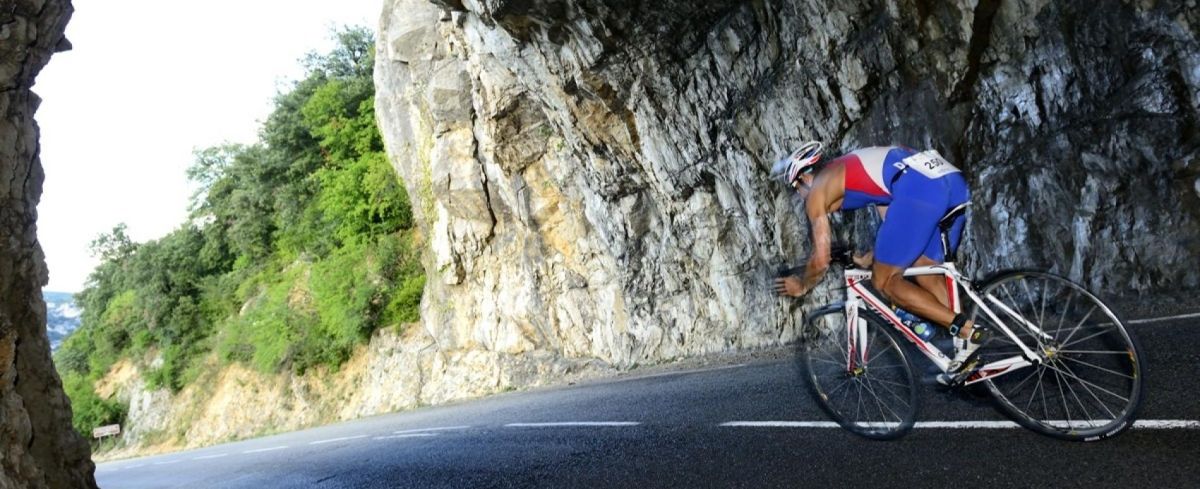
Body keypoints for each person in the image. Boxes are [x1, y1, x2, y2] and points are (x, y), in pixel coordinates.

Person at [771, 142, 986, 371]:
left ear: (804, 177)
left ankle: (964, 329)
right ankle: (967, 348)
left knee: (884, 281)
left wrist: (802, 284)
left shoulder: (818, 191)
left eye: (796, 187)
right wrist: (867, 258)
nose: (800, 195)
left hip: (918, 189)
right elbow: (898, 230)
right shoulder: (854, 167)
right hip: (950, 182)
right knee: (925, 269)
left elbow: (820, 258)